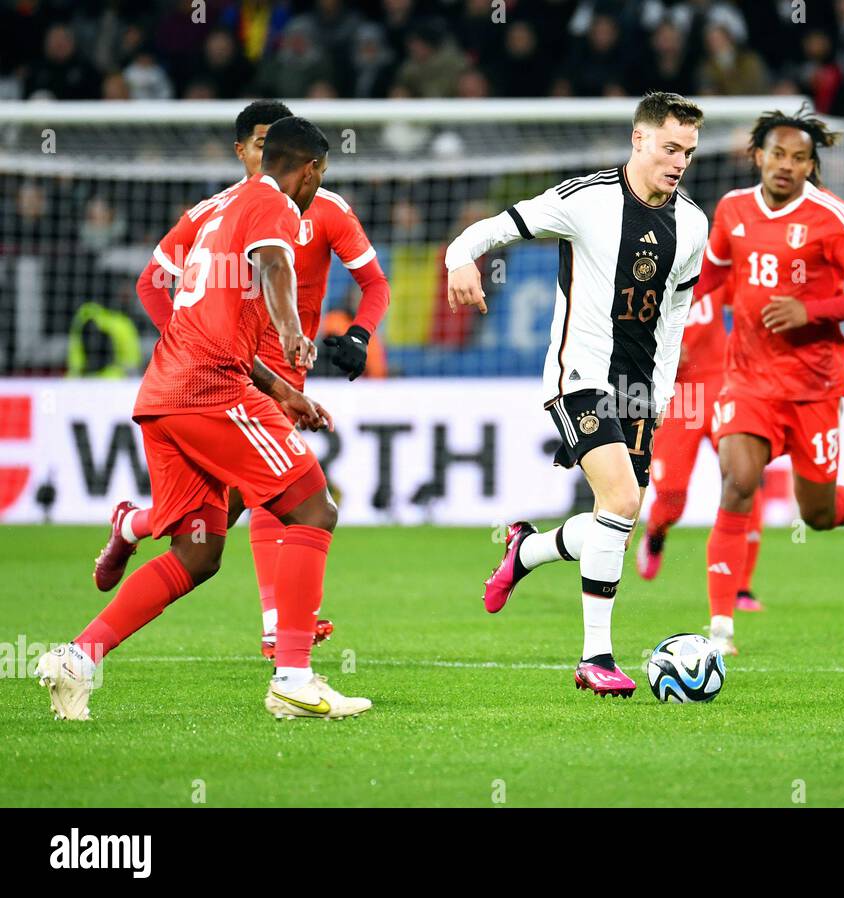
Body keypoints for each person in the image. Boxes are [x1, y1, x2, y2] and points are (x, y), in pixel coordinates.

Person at [38, 117, 372, 720]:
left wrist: (282, 391)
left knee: (198, 552)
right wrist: (295, 333)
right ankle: (293, 677)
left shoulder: (219, 209)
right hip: (209, 391)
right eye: (318, 178)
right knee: (312, 507)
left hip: (166, 392)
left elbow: (202, 313)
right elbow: (275, 265)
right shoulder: (273, 206)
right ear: (312, 170)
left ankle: (77, 658)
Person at [94, 99, 390, 661]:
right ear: (245, 151)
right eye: (257, 143)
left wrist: (358, 335)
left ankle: (133, 529)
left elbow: (376, 284)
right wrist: (187, 338)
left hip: (269, 376)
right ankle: (282, 636)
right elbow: (153, 282)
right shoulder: (216, 211)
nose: (264, 154)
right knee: (287, 501)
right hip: (224, 377)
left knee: (209, 530)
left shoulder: (323, 209)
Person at [445, 92, 710, 698]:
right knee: (619, 497)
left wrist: (662, 393)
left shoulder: (692, 223)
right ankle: (596, 657)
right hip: (580, 376)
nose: (680, 162)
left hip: (639, 389)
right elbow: (495, 229)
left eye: (688, 152)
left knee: (616, 516)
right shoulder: (584, 199)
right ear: (639, 140)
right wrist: (460, 258)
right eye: (670, 147)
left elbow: (674, 315)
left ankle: (526, 551)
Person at [691, 107, 844, 655]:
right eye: (777, 154)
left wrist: (812, 310)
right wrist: (673, 311)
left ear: (810, 166)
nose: (786, 165)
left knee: (817, 514)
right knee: (737, 481)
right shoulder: (732, 210)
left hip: (814, 386)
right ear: (758, 155)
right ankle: (720, 630)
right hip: (748, 379)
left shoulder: (835, 218)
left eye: (799, 158)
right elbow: (713, 274)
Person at [636, 280, 769, 612]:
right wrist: (660, 353)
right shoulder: (649, 272)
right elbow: (628, 332)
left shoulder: (712, 268)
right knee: (672, 493)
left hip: (721, 382)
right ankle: (656, 531)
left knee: (744, 477)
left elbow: (746, 304)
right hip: (681, 394)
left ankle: (741, 587)